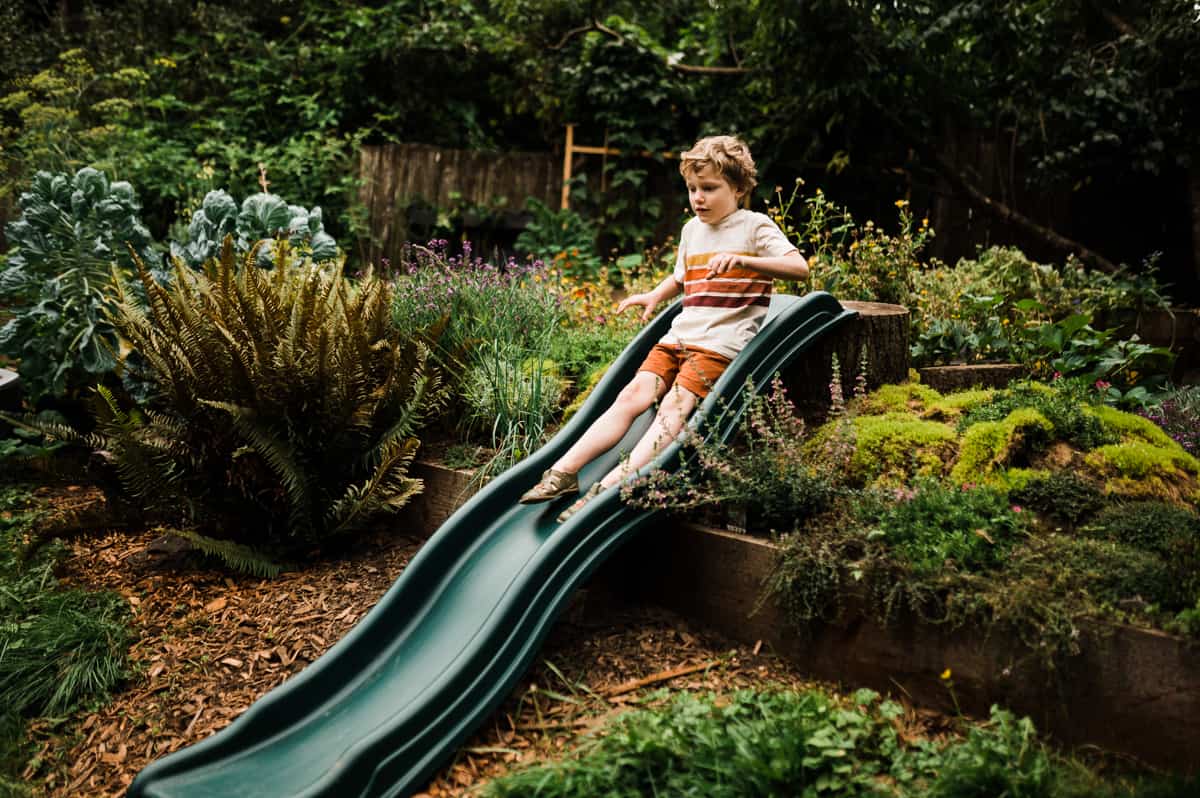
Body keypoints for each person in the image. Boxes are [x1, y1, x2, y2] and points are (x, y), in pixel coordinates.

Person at [520, 135, 810, 522]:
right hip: (679, 337)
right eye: (692, 189)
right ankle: (564, 472)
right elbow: (681, 277)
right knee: (630, 397)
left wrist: (746, 261)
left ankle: (612, 487)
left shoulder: (754, 227)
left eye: (709, 188)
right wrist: (654, 295)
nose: (698, 198)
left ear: (739, 189)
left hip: (718, 347)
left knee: (674, 407)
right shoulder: (693, 231)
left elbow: (800, 268)